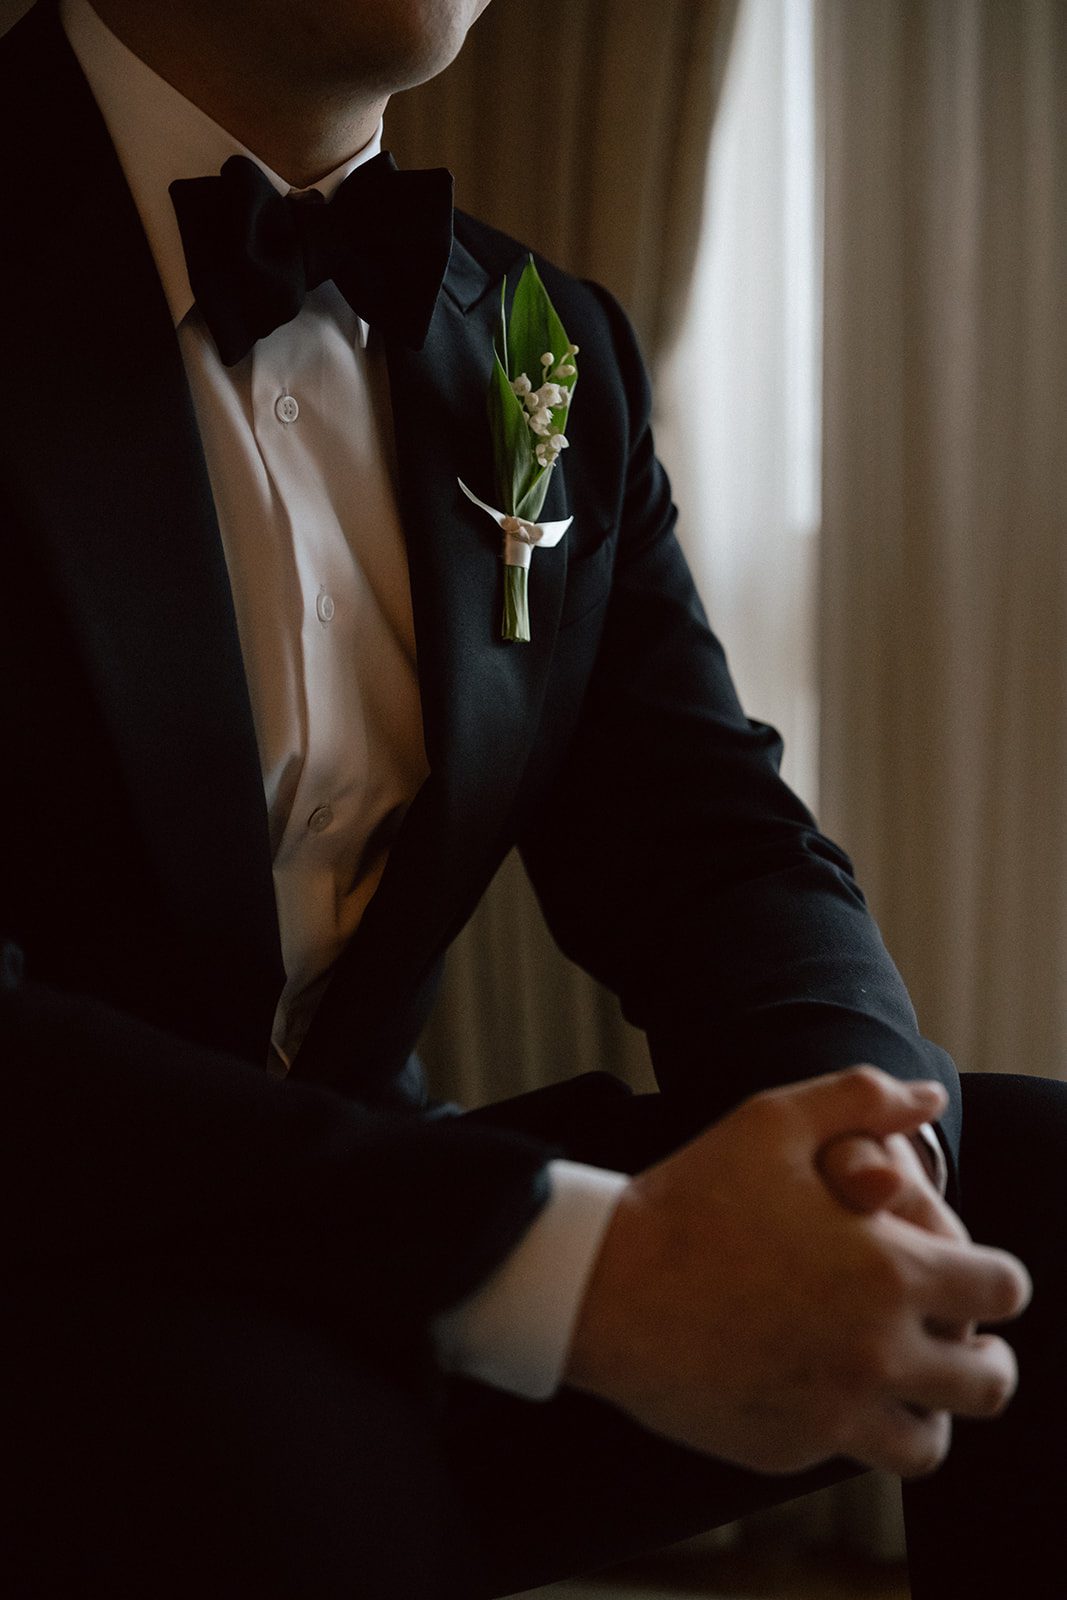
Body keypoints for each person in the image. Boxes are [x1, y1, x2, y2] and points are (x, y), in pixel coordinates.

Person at [2, 1, 1063, 1595]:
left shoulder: (536, 344)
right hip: (59, 1267)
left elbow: (707, 840)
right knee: (271, 1456)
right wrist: (572, 1271)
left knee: (1028, 1205)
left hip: (385, 1245)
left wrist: (866, 1149)